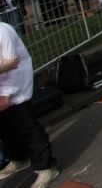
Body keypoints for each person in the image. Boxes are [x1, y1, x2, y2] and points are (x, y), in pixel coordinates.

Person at [0, 21, 58, 187]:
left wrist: (5, 93)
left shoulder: (3, 31)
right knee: (6, 129)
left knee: (27, 127)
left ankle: (45, 167)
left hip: (15, 87)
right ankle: (19, 158)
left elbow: (12, 64)